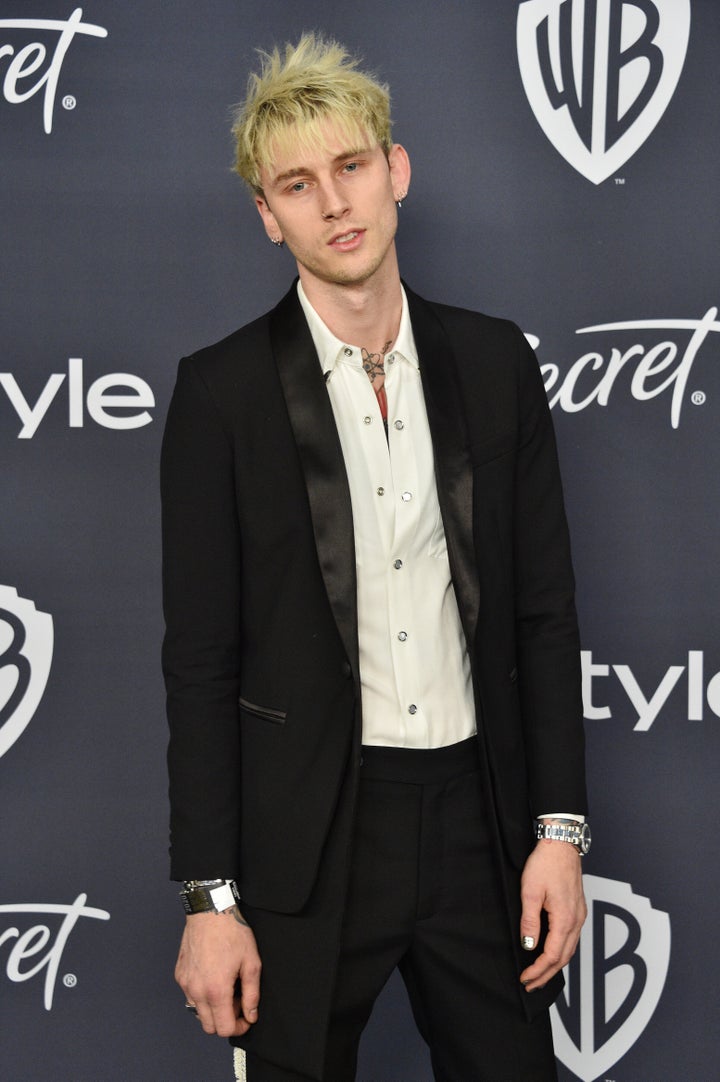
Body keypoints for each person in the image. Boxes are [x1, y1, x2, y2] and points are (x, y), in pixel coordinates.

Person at [161, 33, 589, 1082]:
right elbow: (202, 661)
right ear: (269, 216)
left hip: (476, 823)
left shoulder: (494, 363)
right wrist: (210, 900)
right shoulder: (220, 395)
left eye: (351, 166)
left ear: (395, 173)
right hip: (306, 837)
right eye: (298, 185)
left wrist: (560, 833)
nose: (334, 203)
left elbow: (543, 612)